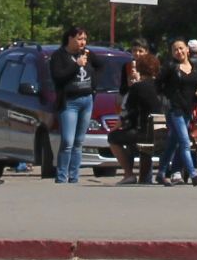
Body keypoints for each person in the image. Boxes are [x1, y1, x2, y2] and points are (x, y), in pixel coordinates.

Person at [48, 26, 106, 184]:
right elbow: (58, 77)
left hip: (86, 100)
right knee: (68, 141)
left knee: (79, 141)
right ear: (70, 38)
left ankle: (74, 177)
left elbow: (101, 66)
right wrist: (76, 65)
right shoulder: (59, 56)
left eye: (85, 39)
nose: (83, 42)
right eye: (79, 39)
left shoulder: (87, 53)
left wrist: (94, 83)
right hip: (69, 102)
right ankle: (61, 176)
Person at [107, 46, 164, 184]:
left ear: (139, 68)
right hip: (164, 131)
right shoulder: (162, 86)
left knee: (113, 138)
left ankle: (129, 174)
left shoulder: (137, 87)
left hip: (145, 132)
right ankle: (152, 176)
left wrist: (116, 126)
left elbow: (127, 111)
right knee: (146, 143)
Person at [155, 39, 197, 187]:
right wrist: (165, 99)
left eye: (181, 48)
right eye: (175, 50)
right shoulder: (170, 67)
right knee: (184, 141)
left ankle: (160, 173)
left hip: (188, 108)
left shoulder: (195, 65)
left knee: (172, 143)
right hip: (174, 108)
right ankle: (193, 173)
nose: (179, 52)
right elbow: (158, 84)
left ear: (187, 50)